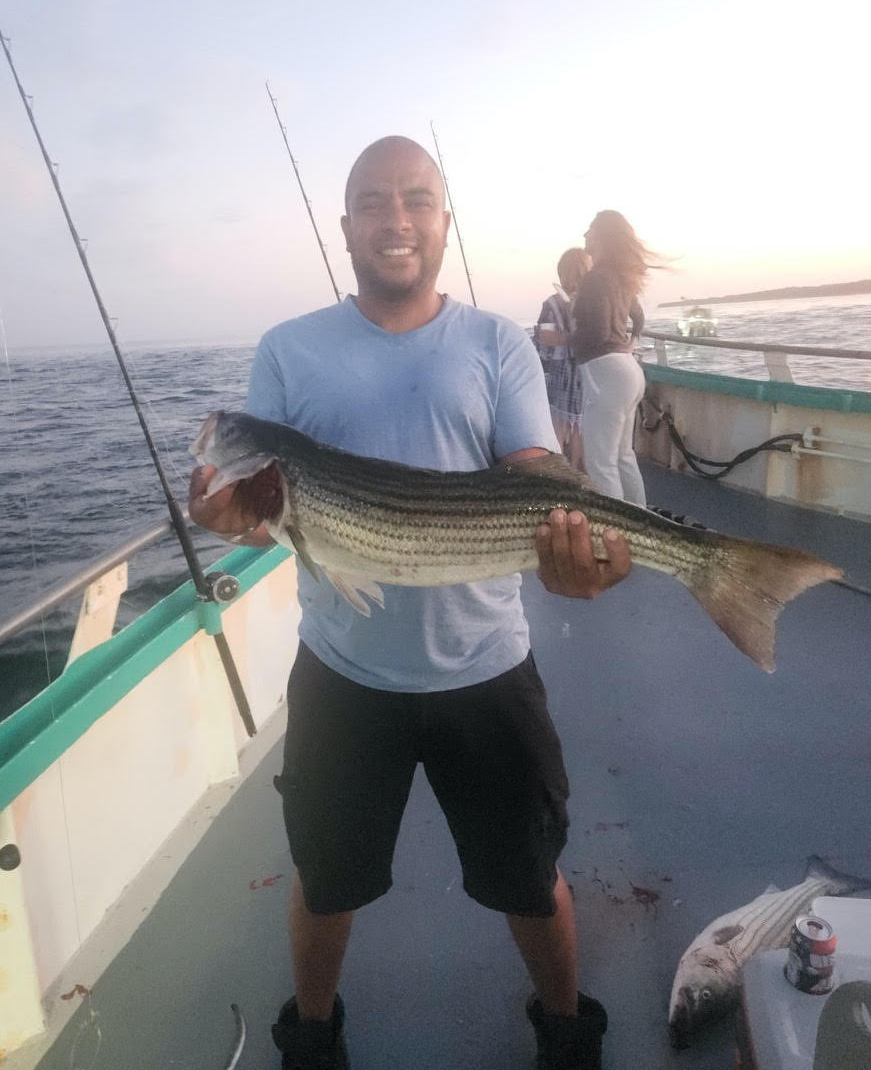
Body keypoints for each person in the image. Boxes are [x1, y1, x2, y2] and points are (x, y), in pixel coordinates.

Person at [188, 136, 631, 1070]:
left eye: (416, 199)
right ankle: (312, 1036)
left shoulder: (495, 340)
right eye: (374, 202)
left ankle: (565, 1032)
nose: (396, 219)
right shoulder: (287, 349)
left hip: (487, 664)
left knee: (528, 877)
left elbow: (528, 468)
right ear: (344, 223)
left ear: (442, 219)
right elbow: (262, 508)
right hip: (344, 672)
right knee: (324, 879)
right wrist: (238, 518)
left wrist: (577, 536)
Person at [569, 210, 651, 505]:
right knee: (623, 456)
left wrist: (563, 339)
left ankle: (616, 535)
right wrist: (631, 343)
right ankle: (643, 521)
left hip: (605, 373)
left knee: (601, 463)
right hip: (628, 371)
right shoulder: (621, 278)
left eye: (590, 229)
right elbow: (638, 318)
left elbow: (598, 333)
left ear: (601, 235)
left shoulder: (595, 278)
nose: (585, 235)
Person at [532, 248, 591, 470]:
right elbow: (548, 336)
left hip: (568, 370)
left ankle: (562, 473)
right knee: (575, 425)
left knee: (563, 425)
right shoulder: (584, 302)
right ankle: (573, 472)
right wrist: (577, 340)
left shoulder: (553, 302)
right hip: (581, 368)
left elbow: (545, 337)